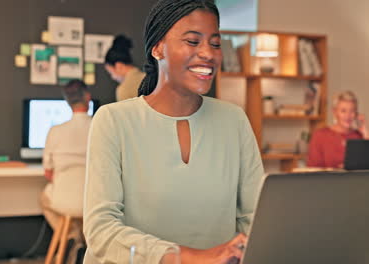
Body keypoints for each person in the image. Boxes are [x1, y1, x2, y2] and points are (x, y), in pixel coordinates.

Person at [83, 1, 264, 263]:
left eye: (215, 43)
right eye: (192, 41)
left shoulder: (234, 119)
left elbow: (255, 219)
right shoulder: (112, 120)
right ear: (157, 48)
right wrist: (191, 258)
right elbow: (101, 231)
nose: (208, 54)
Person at [40, 80, 92, 249]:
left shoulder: (55, 131)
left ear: (67, 103)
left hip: (64, 201)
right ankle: (84, 243)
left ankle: (72, 237)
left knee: (44, 199)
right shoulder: (101, 126)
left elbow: (48, 174)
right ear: (88, 98)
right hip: (95, 201)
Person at [307, 90, 368, 168]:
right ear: (335, 112)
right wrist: (339, 171)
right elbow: (313, 170)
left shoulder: (359, 136)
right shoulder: (320, 136)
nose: (348, 116)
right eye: (343, 111)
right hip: (329, 180)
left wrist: (366, 133)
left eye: (352, 111)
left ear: (356, 114)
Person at [104, 35, 146, 101]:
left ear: (118, 66)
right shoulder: (149, 77)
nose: (113, 77)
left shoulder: (124, 89)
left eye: (111, 73)